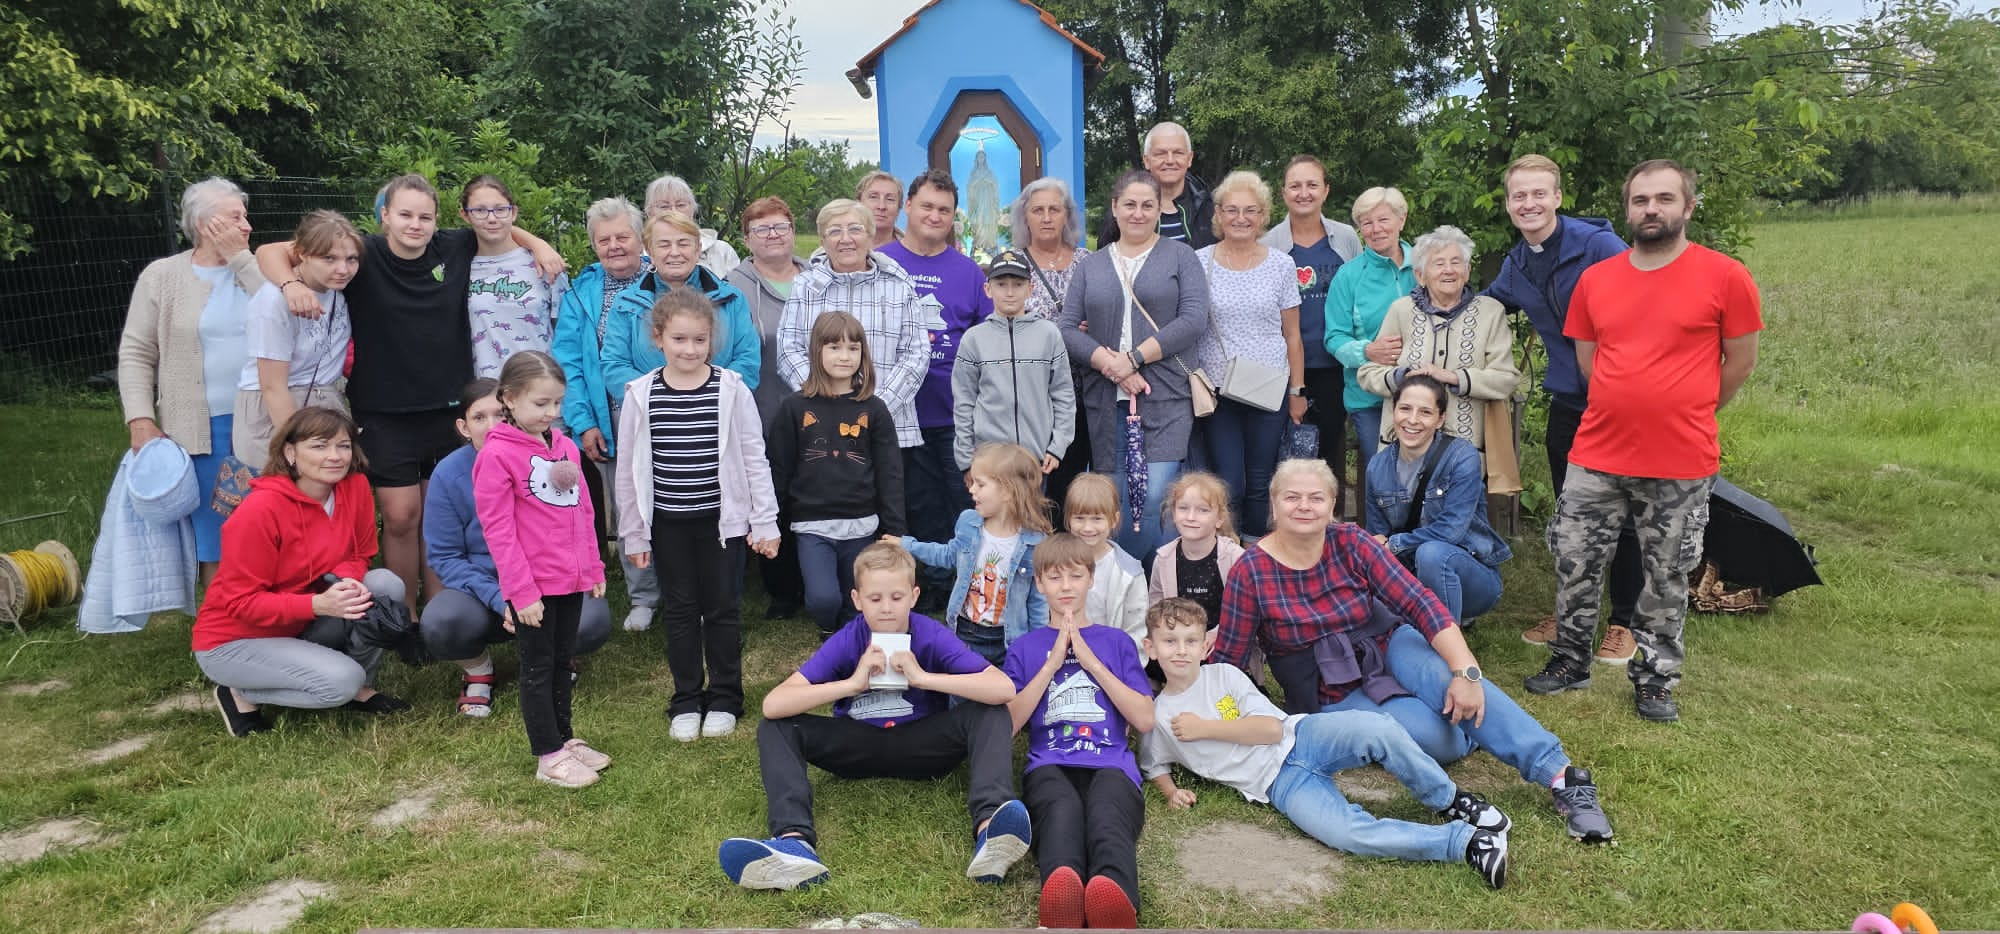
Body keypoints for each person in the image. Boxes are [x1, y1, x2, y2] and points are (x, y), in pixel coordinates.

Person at [1212, 458, 1615, 844]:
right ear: (1274, 504)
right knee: (1440, 741)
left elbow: (1418, 602)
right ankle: (1473, 728)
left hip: (1387, 642)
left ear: (1332, 505)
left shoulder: (1351, 541)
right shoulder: (1251, 570)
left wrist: (1466, 671)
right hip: (1325, 683)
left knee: (1448, 677)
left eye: (1316, 497)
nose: (1304, 506)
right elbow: (1228, 661)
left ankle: (1561, 775)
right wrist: (1219, 724)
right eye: (1292, 497)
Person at [256, 173, 565, 609]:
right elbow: (269, 251)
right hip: (384, 410)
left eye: (425, 217)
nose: (415, 225)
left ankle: (439, 611)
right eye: (405, 215)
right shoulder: (361, 255)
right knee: (401, 517)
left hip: (447, 409)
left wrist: (539, 244)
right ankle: (403, 614)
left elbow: (495, 223)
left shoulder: (454, 247)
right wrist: (290, 284)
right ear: (385, 216)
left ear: (438, 220)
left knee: (440, 517)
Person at [1528, 159, 1762, 724]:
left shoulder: (1725, 276)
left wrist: (1687, 407)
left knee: (1667, 572)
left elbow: (1740, 362)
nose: (1651, 209)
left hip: (1680, 458)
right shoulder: (1598, 280)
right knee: (1575, 559)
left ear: (1688, 206)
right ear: (1627, 209)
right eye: (1640, 200)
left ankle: (1655, 678)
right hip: (1597, 453)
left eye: (1664, 198)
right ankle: (1570, 659)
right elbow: (1589, 362)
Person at [717, 542, 1028, 891]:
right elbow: (773, 704)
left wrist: (923, 678)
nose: (886, 608)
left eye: (896, 597)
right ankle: (793, 843)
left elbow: (1002, 688)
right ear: (857, 599)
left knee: (990, 710)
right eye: (875, 599)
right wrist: (851, 684)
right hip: (858, 745)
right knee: (776, 726)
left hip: (922, 746)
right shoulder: (849, 639)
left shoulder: (930, 633)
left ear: (914, 596)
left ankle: (990, 832)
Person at [1138, 599, 1510, 889]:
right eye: (1169, 641)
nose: (1180, 650)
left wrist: (1204, 728)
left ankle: (1449, 800)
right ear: (1150, 648)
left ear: (1206, 646)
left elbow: (1270, 730)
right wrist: (1170, 792)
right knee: (1345, 833)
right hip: (1280, 786)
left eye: (1190, 641)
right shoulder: (1157, 717)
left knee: (1377, 728)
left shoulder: (1224, 676)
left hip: (1302, 736)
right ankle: (1466, 843)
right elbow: (1154, 763)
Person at [1483, 154, 1640, 663]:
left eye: (1538, 193)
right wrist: (1422, 311)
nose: (1528, 203)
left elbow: (1646, 299)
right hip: (1569, 401)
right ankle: (1573, 611)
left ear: (1557, 197)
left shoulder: (1597, 246)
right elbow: (1483, 305)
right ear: (1509, 204)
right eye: (1519, 195)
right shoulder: (1517, 264)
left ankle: (1624, 621)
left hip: (1622, 401)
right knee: (1571, 513)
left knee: (1625, 511)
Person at [615, 289, 781, 742]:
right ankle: (686, 698)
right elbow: (629, 472)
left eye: (699, 340)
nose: (690, 350)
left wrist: (764, 522)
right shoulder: (640, 395)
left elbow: (754, 458)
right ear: (658, 338)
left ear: (712, 340)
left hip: (720, 524)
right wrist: (634, 534)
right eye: (679, 339)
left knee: (722, 609)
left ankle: (726, 697)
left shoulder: (731, 389)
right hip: (668, 525)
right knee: (681, 611)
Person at [195, 407, 410, 738]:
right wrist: (317, 605)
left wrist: (346, 581)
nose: (335, 456)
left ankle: (359, 687)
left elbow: (362, 553)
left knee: (383, 584)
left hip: (301, 619)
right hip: (235, 639)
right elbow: (239, 602)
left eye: (343, 445)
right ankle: (240, 691)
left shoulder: (354, 487)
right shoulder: (259, 510)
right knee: (341, 681)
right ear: (290, 452)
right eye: (319, 446)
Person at [424, 379, 613, 717]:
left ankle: (556, 658)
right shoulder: (448, 474)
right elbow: (445, 556)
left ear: (513, 412)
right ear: (464, 427)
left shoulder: (551, 456)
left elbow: (578, 519)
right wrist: (502, 599)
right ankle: (478, 671)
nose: (492, 426)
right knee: (443, 621)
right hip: (484, 592)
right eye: (479, 418)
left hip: (549, 581)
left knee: (592, 619)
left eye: (499, 414)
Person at [472, 352, 610, 788]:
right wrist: (521, 591)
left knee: (562, 661)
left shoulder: (564, 446)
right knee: (537, 667)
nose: (551, 412)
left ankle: (565, 738)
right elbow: (498, 530)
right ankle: (548, 755)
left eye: (557, 403)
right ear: (510, 399)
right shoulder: (496, 455)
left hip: (569, 578)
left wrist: (593, 566)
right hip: (532, 586)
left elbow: (584, 511)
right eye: (541, 403)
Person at [1004, 534, 1154, 929]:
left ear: (1091, 578)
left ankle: (1114, 898)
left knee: (1106, 815)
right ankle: (1062, 895)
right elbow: (1009, 724)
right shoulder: (1024, 647)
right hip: (1049, 763)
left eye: (1075, 576)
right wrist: (1051, 664)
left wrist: (1092, 663)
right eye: (1055, 578)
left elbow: (1144, 719)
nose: (1066, 587)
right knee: (1061, 811)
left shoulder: (1116, 642)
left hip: (1111, 763)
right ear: (1039, 584)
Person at [1059, 170, 1211, 555]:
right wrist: (1112, 366)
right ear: (1114, 208)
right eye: (1129, 204)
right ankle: (1120, 583)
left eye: (1147, 205)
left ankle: (1135, 578)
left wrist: (1135, 358)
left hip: (1166, 395)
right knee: (1113, 498)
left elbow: (1193, 320)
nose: (1138, 213)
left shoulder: (1181, 257)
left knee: (1153, 496)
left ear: (1160, 209)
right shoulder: (1091, 265)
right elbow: (1067, 328)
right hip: (1105, 399)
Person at [120, 176, 265, 578]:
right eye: (235, 217)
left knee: (266, 527)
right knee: (215, 535)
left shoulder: (259, 269)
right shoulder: (162, 276)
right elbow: (136, 352)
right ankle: (219, 616)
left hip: (262, 423)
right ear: (204, 225)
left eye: (245, 216)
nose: (247, 225)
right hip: (202, 429)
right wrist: (140, 419)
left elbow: (284, 312)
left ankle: (273, 610)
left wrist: (241, 259)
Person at [551, 197, 659, 632]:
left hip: (667, 411)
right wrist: (584, 422)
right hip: (612, 418)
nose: (614, 246)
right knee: (629, 507)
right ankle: (644, 595)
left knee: (677, 505)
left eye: (622, 237)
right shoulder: (581, 292)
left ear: (640, 238)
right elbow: (568, 363)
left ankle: (689, 591)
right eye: (603, 240)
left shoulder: (662, 278)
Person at [764, 312, 907, 639]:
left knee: (858, 596)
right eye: (834, 347)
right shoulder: (794, 407)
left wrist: (895, 528)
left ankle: (848, 635)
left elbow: (890, 472)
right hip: (812, 524)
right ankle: (831, 624)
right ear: (817, 351)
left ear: (863, 354)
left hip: (861, 524)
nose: (845, 356)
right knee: (823, 599)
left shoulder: (874, 408)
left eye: (853, 348)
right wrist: (770, 520)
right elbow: (779, 468)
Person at [880, 169, 991, 578]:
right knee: (917, 501)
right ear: (908, 206)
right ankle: (926, 581)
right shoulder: (882, 263)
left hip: (955, 411)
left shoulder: (969, 272)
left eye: (944, 210)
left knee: (963, 499)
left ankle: (967, 579)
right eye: (926, 206)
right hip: (896, 410)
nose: (934, 215)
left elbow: (987, 336)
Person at [1355, 225, 1520, 475]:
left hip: (1465, 451)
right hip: (1403, 449)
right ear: (1420, 275)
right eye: (1439, 263)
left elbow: (1506, 379)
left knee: (1460, 501)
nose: (1448, 270)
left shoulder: (1490, 312)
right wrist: (1403, 377)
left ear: (1467, 271)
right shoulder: (1401, 310)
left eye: (1456, 262)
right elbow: (1368, 374)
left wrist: (1454, 378)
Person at [1194, 170, 1304, 536]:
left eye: (1250, 210)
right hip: (1218, 390)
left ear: (1263, 216)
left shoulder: (1281, 264)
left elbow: (1293, 335)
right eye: (1232, 209)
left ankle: (1256, 551)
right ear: (1218, 214)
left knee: (1261, 480)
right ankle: (1226, 552)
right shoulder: (1199, 262)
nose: (1240, 218)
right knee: (1228, 482)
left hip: (1269, 388)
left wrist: (1297, 391)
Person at [776, 199, 929, 456]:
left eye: (855, 229)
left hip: (890, 428)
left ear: (870, 236)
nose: (845, 239)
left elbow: (916, 354)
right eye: (835, 231)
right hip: (820, 430)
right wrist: (824, 400)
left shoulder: (899, 287)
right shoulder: (804, 286)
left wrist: (876, 408)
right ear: (823, 241)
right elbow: (788, 349)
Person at [1362, 376, 1513, 625]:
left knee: (1431, 553)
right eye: (1405, 408)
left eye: (1425, 412)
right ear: (1393, 411)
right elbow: (1378, 538)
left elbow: (1450, 531)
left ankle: (1445, 638)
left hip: (1469, 577)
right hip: (1411, 574)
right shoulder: (1377, 467)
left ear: (1440, 419)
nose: (1412, 420)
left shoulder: (1462, 456)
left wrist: (1395, 543)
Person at [727, 196, 810, 618]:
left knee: (811, 495)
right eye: (761, 229)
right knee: (771, 497)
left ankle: (815, 580)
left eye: (780, 226)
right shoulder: (732, 287)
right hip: (762, 411)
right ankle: (781, 589)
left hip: (815, 409)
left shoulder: (818, 279)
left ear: (793, 231)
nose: (772, 235)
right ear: (746, 239)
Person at [1263, 155, 1363, 490]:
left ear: (1326, 190)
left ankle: (1328, 517)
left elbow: (1359, 292)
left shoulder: (1346, 238)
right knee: (1286, 457)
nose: (1303, 193)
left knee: (1329, 454)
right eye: (1295, 186)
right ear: (1283, 193)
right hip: (1283, 368)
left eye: (1312, 185)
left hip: (1334, 365)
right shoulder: (1268, 244)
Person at [232, 210, 358, 471]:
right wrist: (298, 447)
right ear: (302, 254)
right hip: (277, 410)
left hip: (324, 399)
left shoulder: (335, 289)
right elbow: (273, 387)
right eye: (329, 258)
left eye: (351, 259)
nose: (343, 269)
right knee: (286, 488)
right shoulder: (274, 301)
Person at [904, 443, 1053, 665]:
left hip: (1009, 641)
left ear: (1007, 491)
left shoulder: (1035, 543)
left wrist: (1038, 646)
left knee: (1007, 687)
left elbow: (1037, 601)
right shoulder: (968, 523)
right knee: (962, 685)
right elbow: (947, 555)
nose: (971, 490)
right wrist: (908, 545)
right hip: (966, 634)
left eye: (980, 484)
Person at [602, 211, 761, 401]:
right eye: (664, 245)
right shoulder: (626, 304)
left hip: (722, 409)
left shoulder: (732, 299)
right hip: (651, 412)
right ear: (650, 251)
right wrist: (661, 401)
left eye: (683, 243)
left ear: (698, 249)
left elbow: (747, 359)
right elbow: (615, 365)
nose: (675, 252)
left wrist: (712, 398)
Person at [1011, 178, 1095, 513]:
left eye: (1054, 209)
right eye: (1038, 210)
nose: (1046, 217)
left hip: (1087, 392)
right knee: (1037, 487)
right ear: (1025, 217)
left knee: (1075, 486)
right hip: (1034, 397)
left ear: (1067, 216)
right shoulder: (1012, 264)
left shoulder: (1090, 262)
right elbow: (1006, 326)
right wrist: (1068, 331)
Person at [951, 249, 1075, 473]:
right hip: (989, 460)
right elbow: (964, 402)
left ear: (1030, 288)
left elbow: (1063, 394)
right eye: (1001, 284)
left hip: (1036, 459)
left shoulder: (1049, 334)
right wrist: (966, 460)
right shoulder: (973, 339)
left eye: (1018, 284)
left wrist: (1057, 447)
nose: (1009, 292)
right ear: (988, 289)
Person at [1321, 187, 1416, 464]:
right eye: (1367, 223)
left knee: (1425, 475)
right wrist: (1367, 351)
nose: (1375, 229)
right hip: (1370, 398)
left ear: (1401, 219)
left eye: (1383, 220)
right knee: (1384, 476)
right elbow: (1334, 338)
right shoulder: (1348, 276)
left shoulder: (1426, 266)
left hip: (1423, 394)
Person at [464, 176, 568, 378]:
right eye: (480, 210)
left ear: (513, 212)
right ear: (465, 215)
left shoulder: (545, 264)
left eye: (500, 209)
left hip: (540, 387)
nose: (491, 218)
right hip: (485, 390)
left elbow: (569, 338)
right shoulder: (458, 266)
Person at [1145, 471, 1244, 630]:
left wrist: (1215, 635)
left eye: (1203, 510)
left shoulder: (1235, 558)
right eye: (1183, 508)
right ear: (1174, 513)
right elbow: (1156, 611)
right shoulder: (1163, 559)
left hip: (1225, 639)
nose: (1191, 517)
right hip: (1178, 640)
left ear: (1219, 519)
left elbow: (1244, 611)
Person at [1061, 474, 1148, 650]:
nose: (1087, 528)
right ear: (1068, 519)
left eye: (1097, 519)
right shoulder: (1056, 564)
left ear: (1114, 520)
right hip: (1063, 654)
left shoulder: (1130, 571)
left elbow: (1137, 629)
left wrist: (1120, 662)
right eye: (1079, 518)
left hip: (1110, 658)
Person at [1095, 122, 1215, 249]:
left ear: (1189, 159)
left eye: (1178, 153)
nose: (1170, 160)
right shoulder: (1123, 213)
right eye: (1160, 153)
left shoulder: (1209, 209)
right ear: (1146, 161)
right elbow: (1104, 258)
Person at [643, 173, 741, 275]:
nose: (674, 212)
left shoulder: (722, 251)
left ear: (693, 209)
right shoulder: (639, 256)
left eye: (680, 205)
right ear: (649, 213)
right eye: (664, 206)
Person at [855, 170, 905, 251]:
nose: (881, 206)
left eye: (890, 199)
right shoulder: (838, 247)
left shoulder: (915, 250)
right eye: (873, 197)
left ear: (899, 208)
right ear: (858, 204)